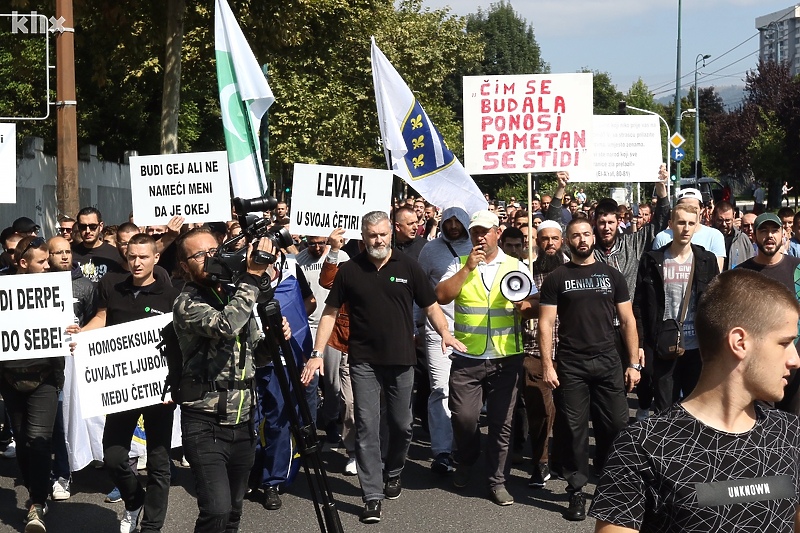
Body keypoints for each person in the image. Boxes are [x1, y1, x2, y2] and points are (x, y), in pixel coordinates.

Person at [591, 269, 800, 533]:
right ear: (739, 342)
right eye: (784, 343)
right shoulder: (643, 446)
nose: (794, 359)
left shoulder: (790, 434)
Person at [305, 211, 464, 524]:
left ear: (391, 234)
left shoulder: (409, 266)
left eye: (382, 234)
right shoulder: (349, 270)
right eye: (371, 235)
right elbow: (330, 312)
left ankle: (393, 470)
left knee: (402, 424)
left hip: (402, 361)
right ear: (362, 237)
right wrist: (317, 352)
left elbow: (431, 305)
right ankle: (372, 494)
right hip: (362, 361)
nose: (377, 240)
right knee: (366, 425)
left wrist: (445, 333)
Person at [172, 227, 290, 532]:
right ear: (184, 266)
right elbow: (226, 325)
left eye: (215, 250)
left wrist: (275, 339)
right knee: (217, 510)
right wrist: (251, 278)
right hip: (205, 422)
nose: (211, 258)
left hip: (244, 422)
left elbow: (256, 355)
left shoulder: (236, 295)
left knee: (235, 512)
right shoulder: (187, 303)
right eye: (200, 255)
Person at [538, 218, 640, 521]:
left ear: (593, 237)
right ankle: (577, 491)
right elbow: (546, 323)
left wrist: (633, 363)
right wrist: (547, 364)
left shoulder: (612, 275)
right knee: (574, 430)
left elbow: (628, 321)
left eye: (586, 234)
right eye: (575, 236)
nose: (582, 240)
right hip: (572, 364)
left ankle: (612, 485)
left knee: (617, 426)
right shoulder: (557, 277)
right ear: (567, 241)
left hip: (609, 361)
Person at [435, 209, 538, 506]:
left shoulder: (517, 265)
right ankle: (467, 458)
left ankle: (497, 480)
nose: (480, 237)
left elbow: (534, 302)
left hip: (507, 356)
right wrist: (467, 268)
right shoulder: (458, 263)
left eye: (485, 231)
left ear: (497, 233)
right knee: (465, 418)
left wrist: (525, 307)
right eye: (475, 232)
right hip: (469, 356)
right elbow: (441, 296)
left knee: (501, 423)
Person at [78, 233, 179, 533]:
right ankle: (135, 501)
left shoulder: (170, 296)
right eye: (132, 256)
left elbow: (180, 343)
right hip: (122, 390)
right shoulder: (111, 284)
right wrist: (80, 335)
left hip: (160, 392)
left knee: (160, 464)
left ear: (156, 258)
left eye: (143, 257)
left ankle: (151, 527)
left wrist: (175, 385)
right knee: (113, 456)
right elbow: (101, 318)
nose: (137, 262)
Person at [0, 236, 65, 533]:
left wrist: (70, 330)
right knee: (23, 442)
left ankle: (36, 504)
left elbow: (64, 327)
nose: (46, 265)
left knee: (39, 442)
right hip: (10, 379)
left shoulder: (53, 289)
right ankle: (35, 492)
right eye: (41, 261)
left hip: (44, 378)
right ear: (23, 263)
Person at [634, 204, 719, 414]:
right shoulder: (653, 260)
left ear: (697, 225)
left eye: (691, 223)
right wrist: (640, 344)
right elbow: (640, 305)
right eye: (681, 222)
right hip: (664, 347)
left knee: (697, 411)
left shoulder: (707, 260)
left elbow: (717, 303)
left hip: (697, 348)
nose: (686, 228)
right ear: (670, 224)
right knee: (665, 410)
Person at [417, 207, 473, 476]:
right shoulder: (430, 250)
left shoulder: (477, 246)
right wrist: (416, 324)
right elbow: (419, 289)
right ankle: (441, 451)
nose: (452, 226)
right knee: (440, 388)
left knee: (467, 392)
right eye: (447, 221)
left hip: (472, 330)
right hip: (436, 329)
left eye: (457, 221)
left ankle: (465, 445)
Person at [46, 236, 98, 501]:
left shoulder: (85, 286)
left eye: (68, 251)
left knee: (71, 417)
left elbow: (92, 320)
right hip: (47, 363)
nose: (65, 256)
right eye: (58, 253)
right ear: (48, 256)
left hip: (75, 362)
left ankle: (68, 472)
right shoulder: (36, 284)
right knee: (55, 422)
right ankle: (59, 472)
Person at [736, 213, 800, 414]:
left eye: (774, 230)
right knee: (763, 430)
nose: (769, 236)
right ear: (753, 236)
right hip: (758, 368)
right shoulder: (742, 274)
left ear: (784, 234)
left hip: (796, 367)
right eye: (763, 231)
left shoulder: (798, 268)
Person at [521, 220, 568, 489]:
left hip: (568, 349)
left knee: (567, 411)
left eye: (555, 238)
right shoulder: (526, 272)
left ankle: (561, 459)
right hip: (534, 349)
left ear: (562, 241)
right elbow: (522, 305)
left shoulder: (573, 271)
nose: (550, 243)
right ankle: (539, 461)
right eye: (545, 239)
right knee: (539, 409)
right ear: (538, 242)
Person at [651, 188, 726, 272]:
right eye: (684, 207)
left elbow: (716, 272)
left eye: (693, 208)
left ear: (701, 209)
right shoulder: (662, 237)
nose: (688, 211)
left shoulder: (715, 236)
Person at [71, 207, 125, 283]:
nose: (87, 231)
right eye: (83, 227)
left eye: (92, 226)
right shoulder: (71, 255)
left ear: (101, 226)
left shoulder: (115, 254)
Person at [712, 200, 754, 270]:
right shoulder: (708, 237)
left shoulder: (742, 239)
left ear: (734, 216)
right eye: (720, 220)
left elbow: (752, 265)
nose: (724, 224)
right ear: (713, 217)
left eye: (727, 220)